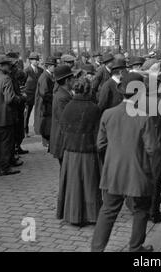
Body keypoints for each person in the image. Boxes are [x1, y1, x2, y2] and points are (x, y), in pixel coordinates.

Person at [91, 72, 158, 252]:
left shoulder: (108, 114)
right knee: (141, 210)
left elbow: (100, 144)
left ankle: (96, 249)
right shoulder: (145, 117)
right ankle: (136, 248)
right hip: (137, 172)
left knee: (108, 211)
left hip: (113, 171)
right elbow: (152, 149)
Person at [57, 77, 102, 226]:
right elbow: (98, 133)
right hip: (88, 151)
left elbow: (62, 128)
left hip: (70, 151)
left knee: (73, 185)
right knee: (89, 184)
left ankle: (73, 215)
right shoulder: (94, 108)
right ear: (88, 90)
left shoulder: (68, 106)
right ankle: (91, 215)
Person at [141, 59, 161, 223]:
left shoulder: (139, 90)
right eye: (159, 70)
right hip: (156, 139)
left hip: (141, 141)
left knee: (143, 175)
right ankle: (153, 211)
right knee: (155, 177)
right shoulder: (157, 92)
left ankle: (139, 209)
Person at [0, 55, 24, 176]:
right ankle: (5, 167)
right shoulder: (5, 78)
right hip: (5, 116)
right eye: (7, 64)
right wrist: (21, 98)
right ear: (1, 66)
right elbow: (9, 99)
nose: (10, 66)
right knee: (6, 143)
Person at [50, 66, 74, 166]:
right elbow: (65, 121)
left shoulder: (64, 94)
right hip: (63, 141)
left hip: (64, 140)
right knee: (66, 171)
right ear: (67, 80)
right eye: (73, 78)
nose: (74, 80)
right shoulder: (62, 97)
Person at [34, 57, 57, 148]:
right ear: (49, 66)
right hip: (45, 104)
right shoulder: (45, 77)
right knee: (46, 123)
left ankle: (47, 141)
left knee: (47, 123)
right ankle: (46, 142)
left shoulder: (49, 75)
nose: (55, 68)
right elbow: (44, 93)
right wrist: (54, 97)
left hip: (47, 103)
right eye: (54, 66)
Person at [24, 52, 43, 137]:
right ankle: (25, 131)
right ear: (30, 61)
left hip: (38, 95)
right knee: (27, 114)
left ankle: (39, 129)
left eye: (37, 60)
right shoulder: (26, 71)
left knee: (40, 113)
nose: (36, 61)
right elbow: (23, 84)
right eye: (34, 60)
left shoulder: (41, 70)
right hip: (29, 96)